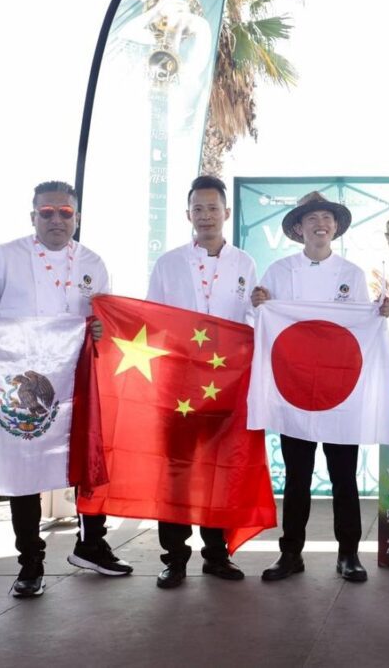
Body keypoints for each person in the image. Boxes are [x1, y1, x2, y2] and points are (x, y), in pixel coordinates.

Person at [0, 181, 132, 598]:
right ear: (33, 217)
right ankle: (30, 563)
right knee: (23, 470)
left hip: (75, 380)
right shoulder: (5, 256)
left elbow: (103, 315)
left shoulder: (93, 263)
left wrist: (103, 328)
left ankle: (91, 545)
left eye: (65, 212)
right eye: (46, 212)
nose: (56, 219)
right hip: (19, 381)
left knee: (86, 459)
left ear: (76, 217)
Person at [256, 191, 389, 584]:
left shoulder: (352, 273)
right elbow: (261, 319)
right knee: (297, 478)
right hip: (295, 388)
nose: (320, 224)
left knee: (343, 477)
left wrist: (379, 312)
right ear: (299, 228)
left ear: (335, 227)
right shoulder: (278, 271)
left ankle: (348, 554)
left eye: (326, 218)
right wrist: (258, 302)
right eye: (312, 218)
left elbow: (360, 326)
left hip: (338, 390)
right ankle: (290, 553)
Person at [147, 175, 261, 589]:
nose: (206, 216)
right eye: (198, 208)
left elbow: (251, 321)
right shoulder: (169, 263)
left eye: (213, 208)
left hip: (225, 383)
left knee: (218, 470)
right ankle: (174, 558)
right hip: (178, 381)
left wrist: (262, 308)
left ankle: (216, 555)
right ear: (188, 214)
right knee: (176, 471)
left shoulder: (245, 264)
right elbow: (152, 319)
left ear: (226, 213)